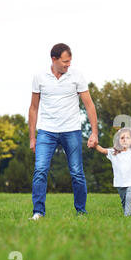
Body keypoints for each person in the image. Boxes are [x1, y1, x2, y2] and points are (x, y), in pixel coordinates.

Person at [28, 43, 98, 220]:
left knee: (76, 172)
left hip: (71, 130)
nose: (68, 65)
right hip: (47, 131)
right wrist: (32, 137)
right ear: (54, 59)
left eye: (70, 61)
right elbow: (33, 108)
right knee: (40, 170)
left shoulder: (77, 76)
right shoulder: (39, 77)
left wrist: (94, 133)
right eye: (65, 62)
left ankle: (81, 211)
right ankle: (38, 212)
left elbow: (89, 105)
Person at [89, 127, 131, 216]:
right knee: (124, 200)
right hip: (119, 182)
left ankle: (127, 216)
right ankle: (127, 212)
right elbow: (102, 150)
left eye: (127, 138)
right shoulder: (113, 152)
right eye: (122, 138)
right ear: (118, 141)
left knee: (129, 198)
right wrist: (95, 145)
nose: (125, 140)